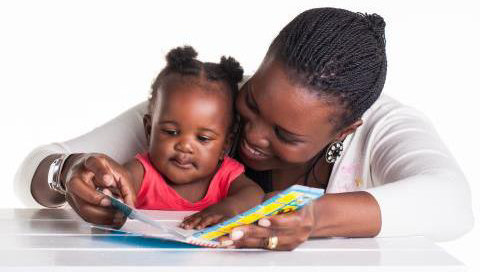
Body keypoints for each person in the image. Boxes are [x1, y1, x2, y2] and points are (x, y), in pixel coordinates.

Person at [15, 8, 473, 250]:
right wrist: (69, 171)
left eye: (286, 136)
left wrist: (313, 219)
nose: (252, 136)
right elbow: (32, 171)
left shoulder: (381, 127)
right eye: (252, 102)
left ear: (343, 132)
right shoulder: (206, 107)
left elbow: (453, 204)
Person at [111, 46, 262, 229]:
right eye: (171, 132)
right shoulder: (142, 172)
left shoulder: (225, 176)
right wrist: (114, 197)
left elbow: (254, 193)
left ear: (225, 145)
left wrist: (230, 208)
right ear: (149, 130)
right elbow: (120, 182)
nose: (184, 146)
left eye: (203, 138)